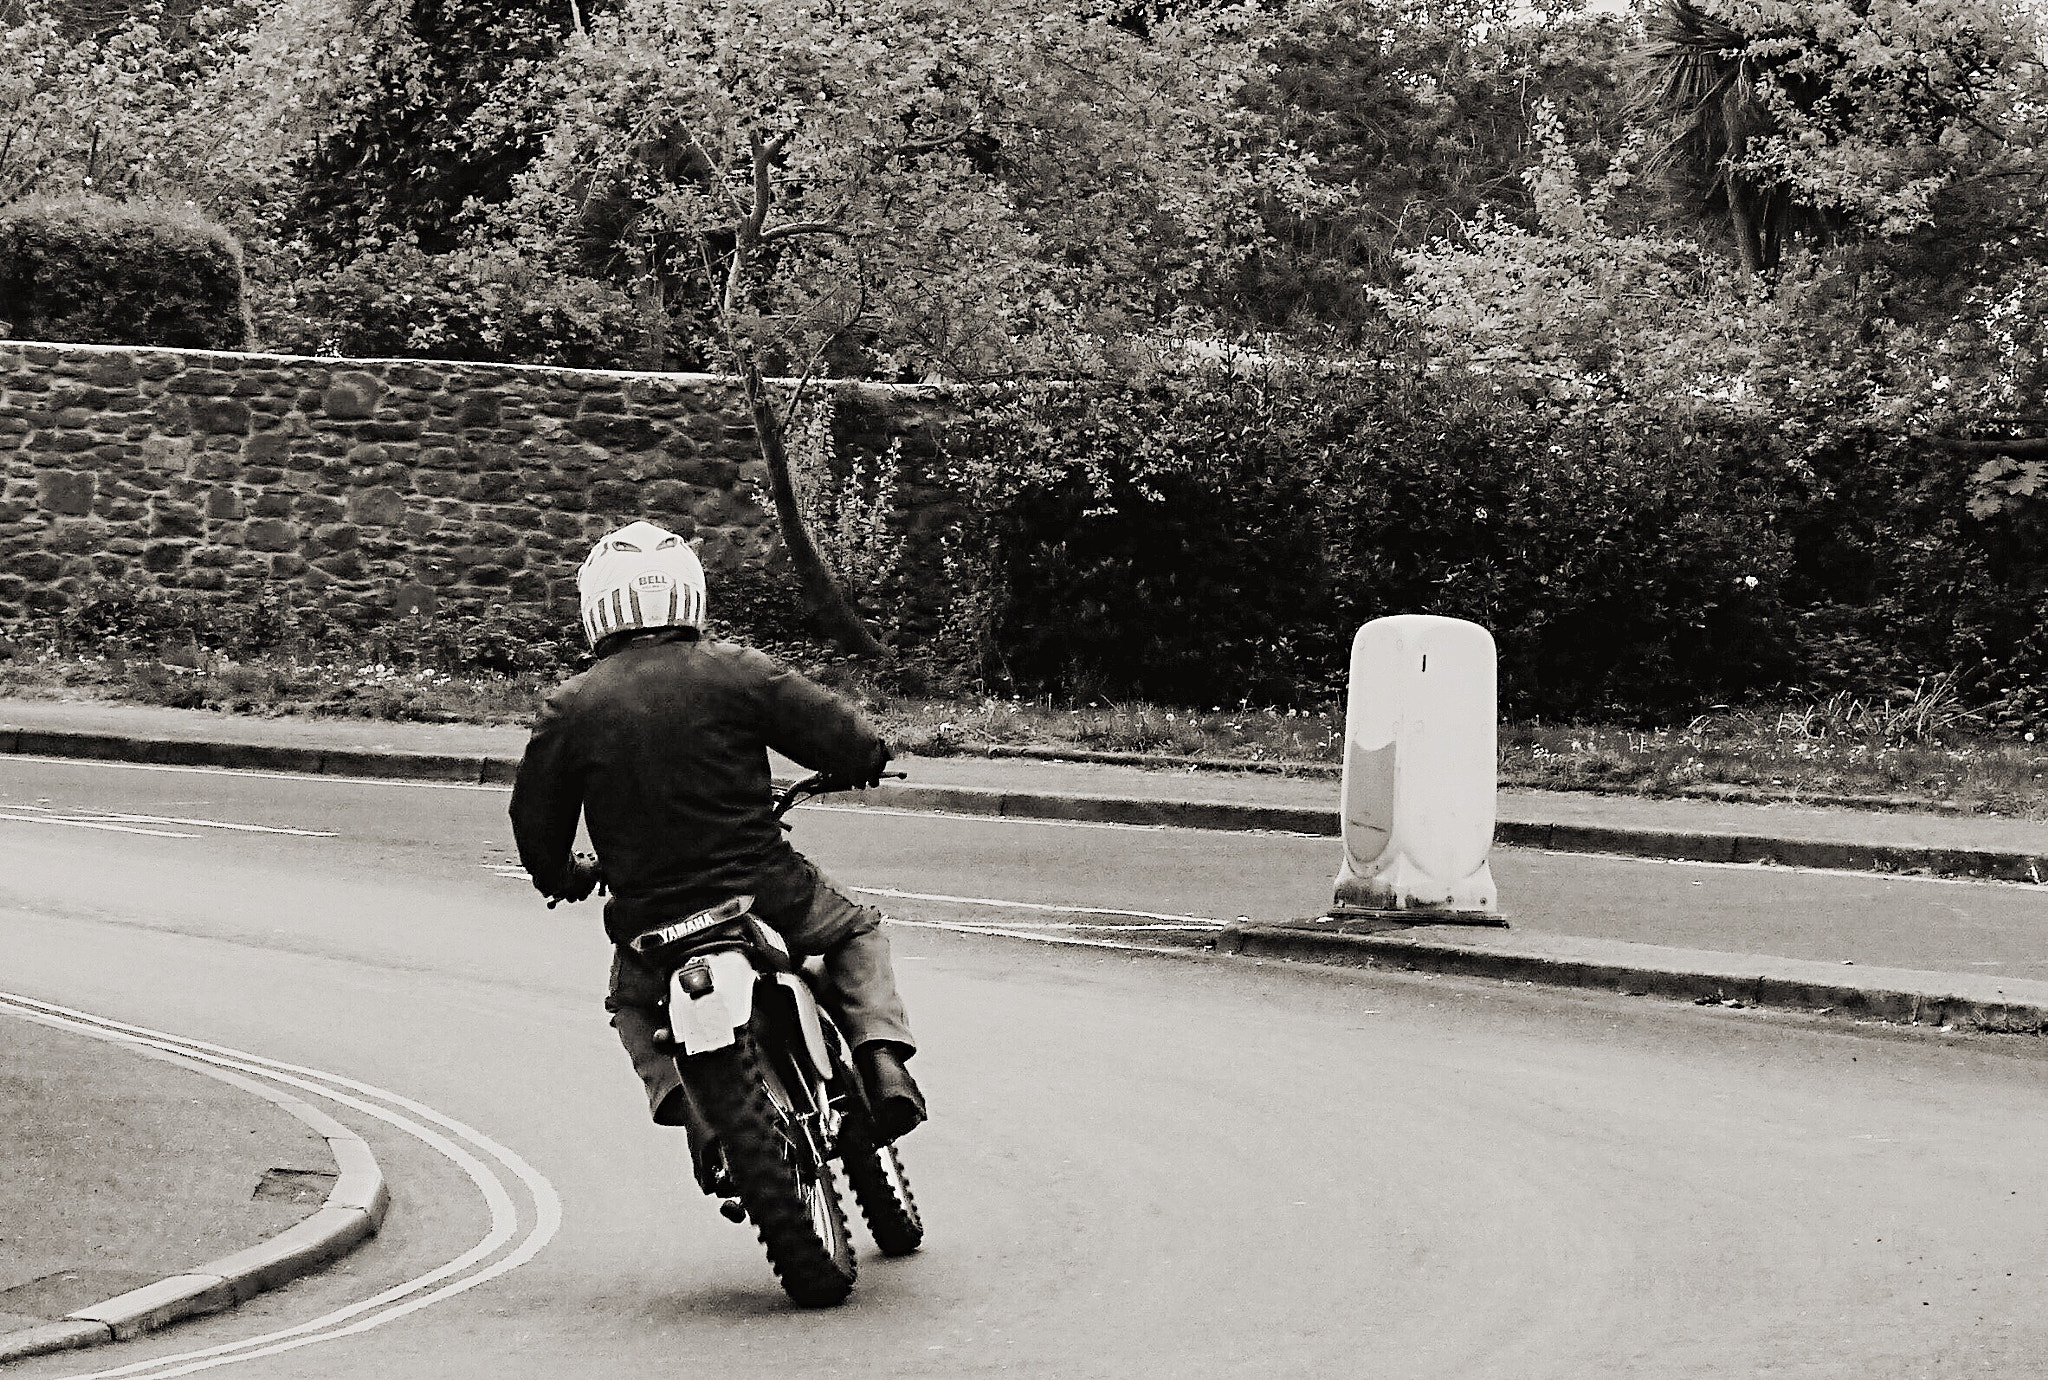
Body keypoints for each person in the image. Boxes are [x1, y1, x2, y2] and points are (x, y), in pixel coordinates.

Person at [509, 520, 926, 1158]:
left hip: (650, 913)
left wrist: (565, 876)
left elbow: (536, 827)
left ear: (597, 606)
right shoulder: (739, 672)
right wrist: (864, 759)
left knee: (633, 1003)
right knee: (854, 932)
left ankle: (694, 1113)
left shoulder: (570, 709)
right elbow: (846, 738)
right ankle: (881, 1061)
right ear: (689, 593)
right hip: (764, 886)